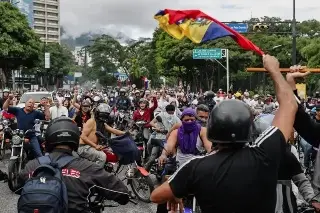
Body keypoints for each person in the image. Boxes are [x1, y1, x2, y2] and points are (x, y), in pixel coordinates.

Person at [150, 55, 298, 213]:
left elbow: (156, 196)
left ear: (212, 127)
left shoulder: (196, 167)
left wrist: (177, 194)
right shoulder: (266, 152)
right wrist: (274, 70)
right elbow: (289, 104)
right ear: (249, 127)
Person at [18, 117, 130, 213]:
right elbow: (122, 193)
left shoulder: (31, 165)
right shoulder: (88, 168)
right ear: (75, 139)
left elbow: (17, 187)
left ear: (48, 138)